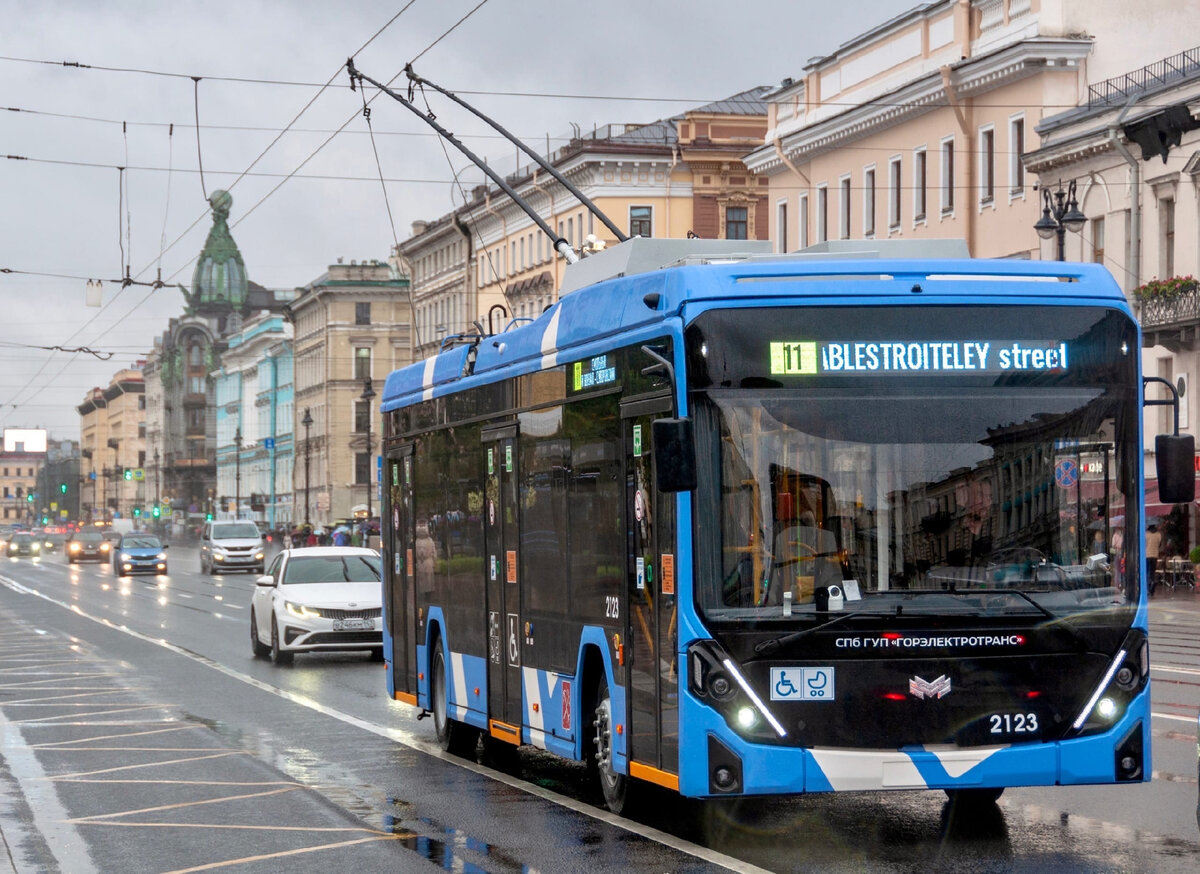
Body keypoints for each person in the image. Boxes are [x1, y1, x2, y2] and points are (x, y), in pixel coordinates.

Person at [1146, 523, 1162, 596]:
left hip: (1147, 555)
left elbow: (1144, 544)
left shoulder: (1146, 534)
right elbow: (1159, 544)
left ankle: (1148, 587)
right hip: (1155, 555)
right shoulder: (1158, 534)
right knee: (1152, 572)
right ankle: (1152, 582)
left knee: (1147, 572)